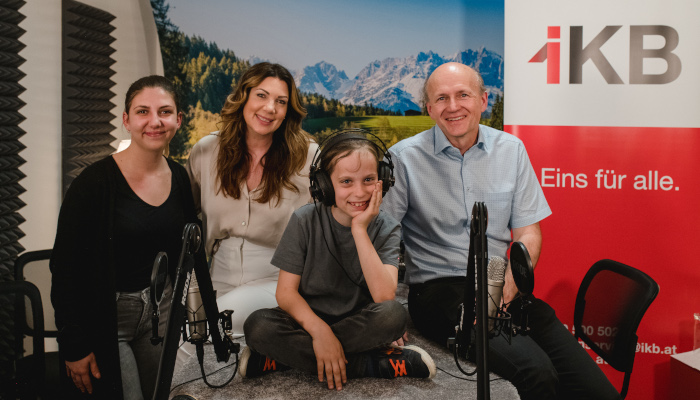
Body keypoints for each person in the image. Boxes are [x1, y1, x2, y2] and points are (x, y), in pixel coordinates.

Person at [380, 62, 620, 400]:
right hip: (439, 291)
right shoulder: (403, 158)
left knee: (599, 393)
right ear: (430, 108)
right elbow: (381, 241)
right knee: (537, 374)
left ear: (483, 99)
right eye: (442, 98)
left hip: (500, 281)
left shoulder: (512, 150)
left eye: (463, 95)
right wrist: (381, 314)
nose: (453, 106)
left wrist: (510, 283)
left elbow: (529, 234)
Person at [241, 132, 436, 390]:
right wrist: (321, 333)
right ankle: (368, 364)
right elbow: (286, 294)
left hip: (359, 320)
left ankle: (286, 359)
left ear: (384, 181)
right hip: (308, 321)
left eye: (368, 180)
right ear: (324, 185)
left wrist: (359, 230)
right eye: (346, 181)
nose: (359, 191)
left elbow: (384, 296)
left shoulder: (387, 227)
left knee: (393, 316)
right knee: (257, 326)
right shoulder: (304, 220)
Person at [50, 76, 201, 399]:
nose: (154, 122)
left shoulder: (179, 178)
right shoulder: (93, 184)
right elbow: (64, 269)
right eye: (143, 111)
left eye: (164, 111)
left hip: (160, 313)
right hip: (108, 317)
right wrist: (73, 344)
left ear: (178, 119)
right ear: (126, 120)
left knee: (161, 395)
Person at [184, 62, 316, 339]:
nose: (270, 108)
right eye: (261, 95)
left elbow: (330, 224)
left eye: (281, 102)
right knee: (200, 344)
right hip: (217, 273)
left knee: (209, 331)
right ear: (243, 96)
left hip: (278, 278)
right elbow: (188, 217)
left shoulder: (309, 157)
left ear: (287, 112)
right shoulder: (206, 151)